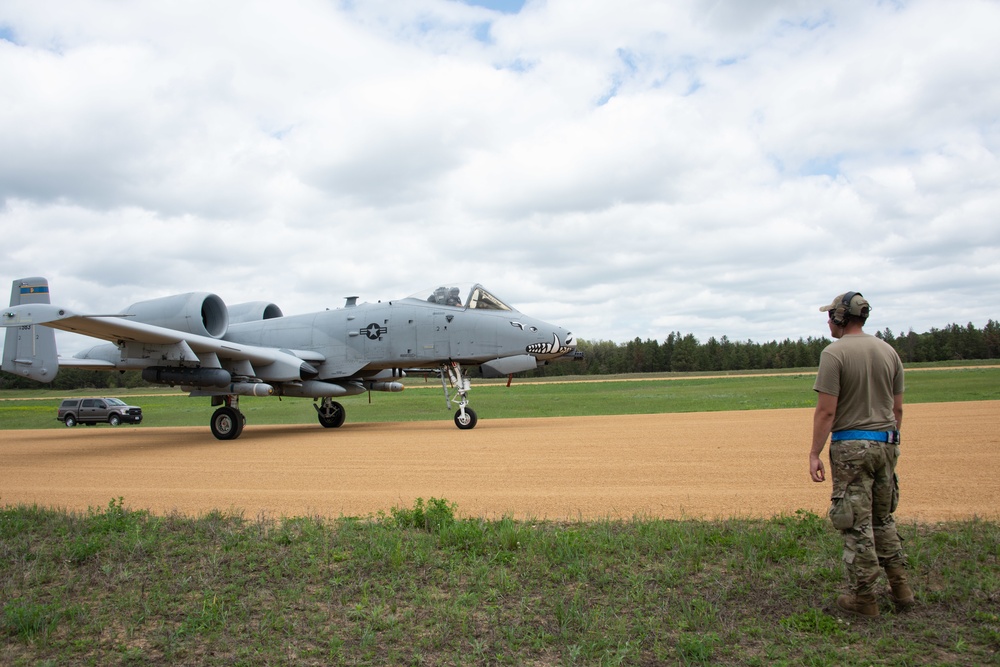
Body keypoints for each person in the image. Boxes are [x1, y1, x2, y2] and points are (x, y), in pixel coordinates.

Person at [809, 291, 915, 617]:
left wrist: (814, 452)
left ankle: (864, 600)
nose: (828, 320)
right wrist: (888, 444)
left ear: (840, 318)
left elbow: (826, 412)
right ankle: (901, 590)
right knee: (883, 519)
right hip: (887, 443)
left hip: (852, 448)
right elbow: (897, 408)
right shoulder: (888, 351)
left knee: (856, 524)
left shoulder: (833, 354)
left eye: (830, 315)